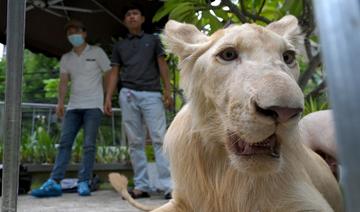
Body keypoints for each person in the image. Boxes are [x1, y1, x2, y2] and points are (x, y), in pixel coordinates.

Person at [31, 20, 111, 197]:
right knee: (64, 144)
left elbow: (109, 73)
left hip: (93, 106)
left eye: (75, 31)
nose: (72, 35)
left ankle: (84, 181)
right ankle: (54, 182)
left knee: (89, 145)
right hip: (73, 107)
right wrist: (60, 102)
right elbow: (63, 82)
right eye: (69, 33)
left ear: (84, 33)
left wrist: (107, 98)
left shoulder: (97, 52)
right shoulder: (66, 58)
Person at [104, 4, 173, 199]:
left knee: (160, 139)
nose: (132, 17)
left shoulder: (153, 40)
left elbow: (162, 64)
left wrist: (167, 90)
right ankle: (141, 186)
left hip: (152, 94)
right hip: (128, 94)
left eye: (135, 13)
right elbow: (115, 72)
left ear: (142, 19)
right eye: (128, 15)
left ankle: (169, 186)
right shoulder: (120, 46)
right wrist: (108, 97)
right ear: (125, 21)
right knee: (135, 142)